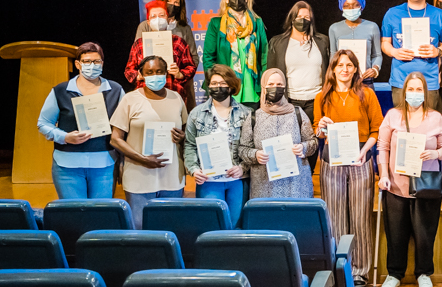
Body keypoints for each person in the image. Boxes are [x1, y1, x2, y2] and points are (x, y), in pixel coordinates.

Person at [376, 72, 442, 287]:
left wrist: (436, 154)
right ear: (404, 92)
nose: (415, 93)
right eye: (411, 89)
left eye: (419, 89)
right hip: (396, 186)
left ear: (425, 93)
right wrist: (383, 175)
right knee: (396, 234)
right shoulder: (393, 116)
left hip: (426, 186)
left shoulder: (435, 118)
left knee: (425, 234)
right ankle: (394, 274)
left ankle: (424, 273)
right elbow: (383, 147)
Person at [315, 49, 383, 287]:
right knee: (335, 219)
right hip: (331, 161)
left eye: (349, 65)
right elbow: (317, 131)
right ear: (333, 69)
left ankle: (359, 272)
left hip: (360, 158)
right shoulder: (322, 97)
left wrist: (365, 151)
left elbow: (377, 129)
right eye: (340, 65)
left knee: (360, 218)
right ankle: (339, 269)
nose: (344, 69)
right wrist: (321, 127)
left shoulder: (367, 94)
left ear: (355, 69)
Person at [37, 42, 124, 198]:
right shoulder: (60, 91)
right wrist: (65, 137)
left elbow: (125, 125)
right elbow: (43, 123)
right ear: (78, 64)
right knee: (74, 211)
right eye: (87, 61)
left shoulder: (115, 90)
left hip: (104, 164)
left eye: (96, 61)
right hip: (67, 166)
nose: (92, 65)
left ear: (102, 63)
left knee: (101, 211)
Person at [108, 56, 187, 226]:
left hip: (172, 178)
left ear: (166, 73)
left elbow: (186, 133)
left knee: (171, 228)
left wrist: (182, 137)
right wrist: (142, 159)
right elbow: (115, 139)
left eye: (159, 71)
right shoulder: (130, 99)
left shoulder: (176, 98)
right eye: (149, 72)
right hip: (139, 176)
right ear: (141, 74)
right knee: (141, 230)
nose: (155, 76)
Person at [183, 65, 251, 224]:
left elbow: (250, 147)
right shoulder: (196, 113)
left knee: (235, 226)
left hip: (236, 181)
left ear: (231, 86)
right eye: (213, 83)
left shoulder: (246, 113)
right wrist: (194, 170)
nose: (218, 87)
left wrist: (242, 168)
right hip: (208, 181)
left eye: (222, 83)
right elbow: (189, 146)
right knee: (211, 226)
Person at [267, 1, 331, 169]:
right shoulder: (277, 42)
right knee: (290, 146)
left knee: (312, 145)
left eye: (306, 17)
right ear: (292, 18)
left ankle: (308, 178)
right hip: (290, 102)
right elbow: (271, 73)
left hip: (315, 102)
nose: (302, 20)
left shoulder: (322, 41)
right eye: (299, 16)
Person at [238, 68, 317, 199]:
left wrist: (303, 147)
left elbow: (313, 142)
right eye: (270, 84)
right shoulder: (254, 117)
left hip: (296, 185)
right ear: (263, 87)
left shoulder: (298, 113)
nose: (275, 88)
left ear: (284, 87)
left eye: (279, 84)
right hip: (264, 186)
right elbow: (242, 149)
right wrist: (255, 155)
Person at [381, 0, 442, 111]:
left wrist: (437, 51)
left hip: (429, 81)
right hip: (401, 80)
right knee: (402, 122)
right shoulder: (392, 14)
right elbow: (385, 43)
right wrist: (394, 52)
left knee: (428, 122)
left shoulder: (439, 15)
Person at [202, 0, 269, 108]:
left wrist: (266, 84)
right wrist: (214, 84)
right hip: (225, 87)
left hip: (252, 89)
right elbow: (208, 57)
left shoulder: (257, 22)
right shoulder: (216, 24)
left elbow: (264, 56)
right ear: (226, 0)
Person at [125, 0, 197, 110]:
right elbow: (129, 70)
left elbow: (190, 67)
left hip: (173, 95)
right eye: (153, 16)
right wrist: (138, 76)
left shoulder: (179, 42)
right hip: (144, 97)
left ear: (168, 20)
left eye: (161, 15)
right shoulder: (139, 44)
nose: (158, 19)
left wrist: (180, 74)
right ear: (148, 22)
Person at [327, 0, 382, 84]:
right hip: (342, 81)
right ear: (342, 8)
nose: (351, 8)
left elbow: (377, 55)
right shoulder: (334, 28)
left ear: (361, 7)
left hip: (365, 80)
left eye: (355, 5)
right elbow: (333, 55)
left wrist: (375, 69)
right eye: (346, 5)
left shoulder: (372, 27)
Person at [135, 0, 200, 67]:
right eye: (168, 1)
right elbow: (136, 54)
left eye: (176, 2)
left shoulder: (184, 28)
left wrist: (181, 73)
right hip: (151, 72)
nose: (172, 5)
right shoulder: (145, 26)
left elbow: (193, 58)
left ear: (180, 6)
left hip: (178, 73)